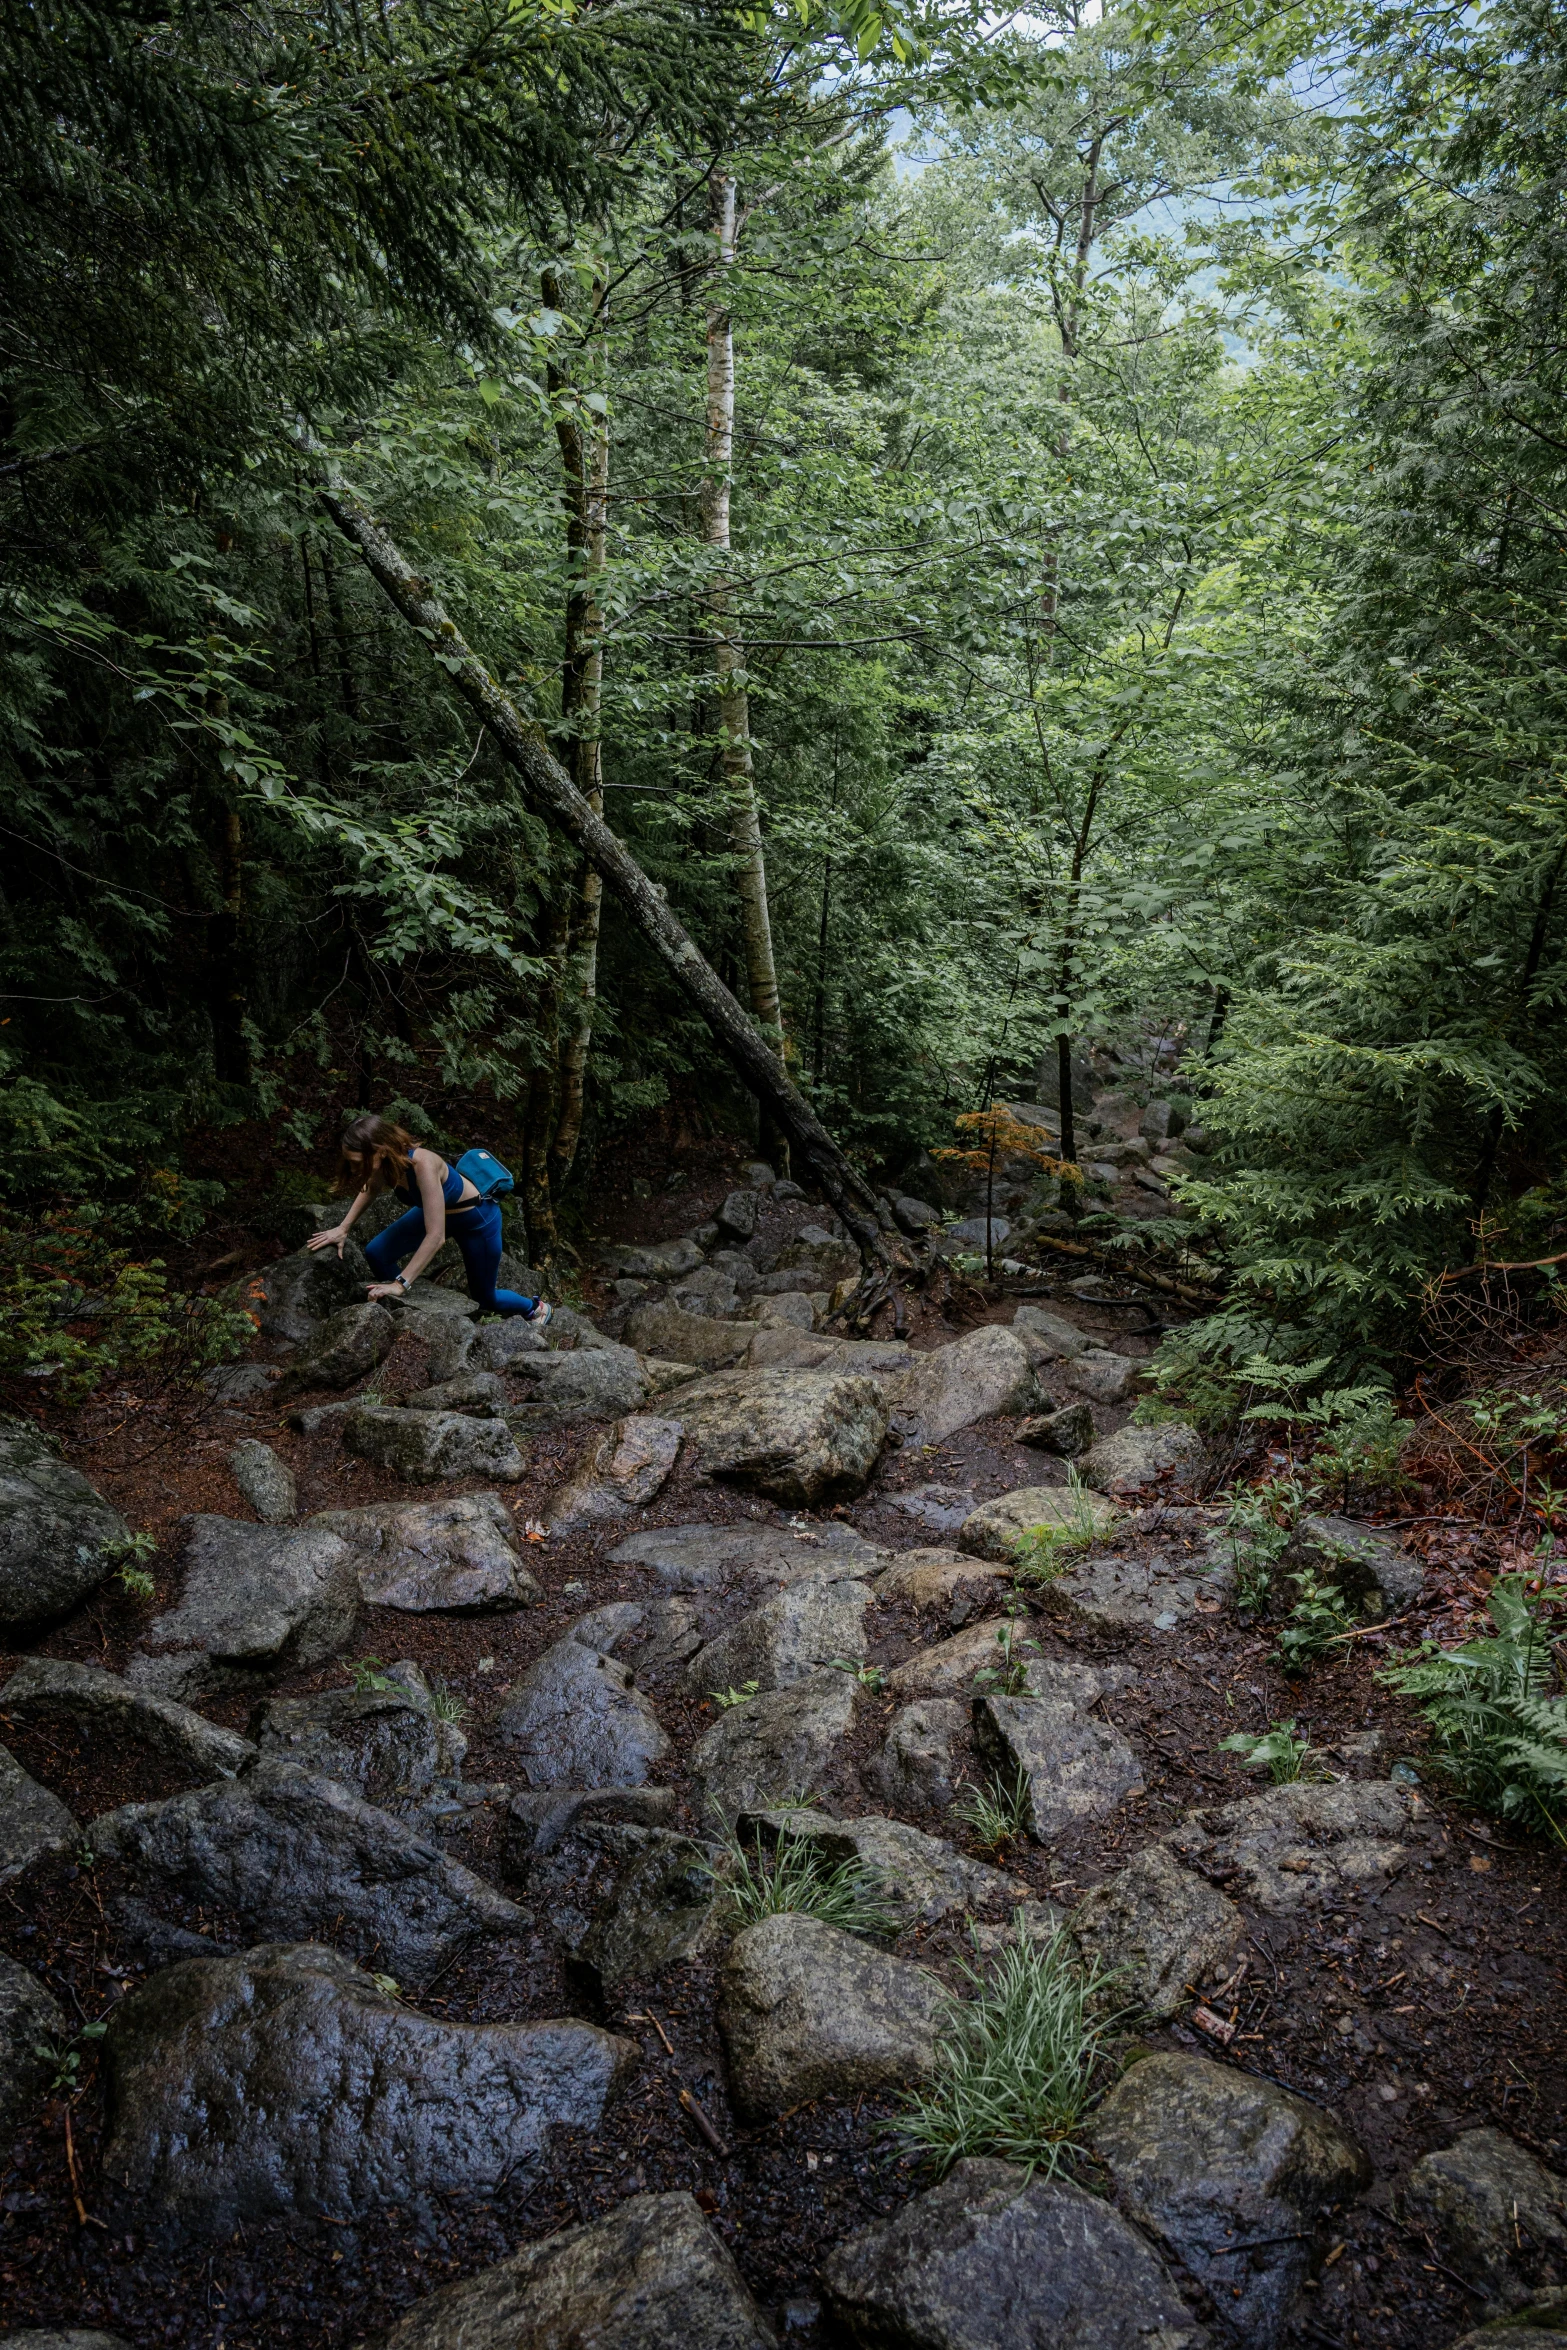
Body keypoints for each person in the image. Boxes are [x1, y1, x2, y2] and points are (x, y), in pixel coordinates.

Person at [307, 1113, 551, 1323]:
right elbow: (370, 1189)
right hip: (439, 1214)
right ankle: (415, 1300)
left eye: (356, 1162)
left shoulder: (422, 1163)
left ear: (380, 1151)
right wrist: (343, 1228)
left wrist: (400, 1284)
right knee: (376, 1253)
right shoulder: (386, 1163)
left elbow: (436, 1236)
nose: (353, 1169)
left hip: (477, 1221)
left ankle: (535, 1309)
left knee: (485, 1297)